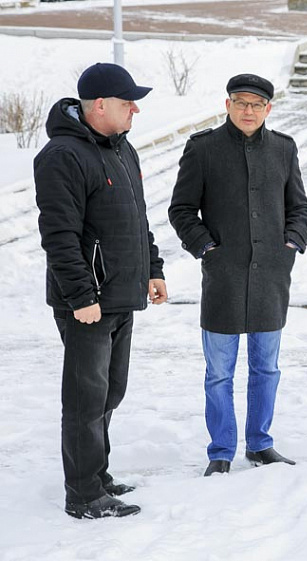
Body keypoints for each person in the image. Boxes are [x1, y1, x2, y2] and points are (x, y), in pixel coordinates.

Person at [34, 62, 167, 519]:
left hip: (121, 294)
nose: (135, 110)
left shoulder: (121, 149)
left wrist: (153, 269)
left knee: (110, 393)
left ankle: (98, 475)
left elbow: (137, 218)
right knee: (85, 400)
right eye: (129, 102)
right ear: (100, 106)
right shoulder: (62, 156)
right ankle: (84, 494)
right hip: (88, 302)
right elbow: (59, 236)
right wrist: (81, 297)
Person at [169, 74, 307, 477]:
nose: (249, 110)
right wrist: (206, 248)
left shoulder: (283, 149)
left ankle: (260, 444)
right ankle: (221, 450)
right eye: (241, 102)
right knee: (219, 373)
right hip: (224, 277)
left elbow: (299, 207)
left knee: (266, 368)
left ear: (268, 108)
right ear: (227, 104)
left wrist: (291, 244)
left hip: (271, 277)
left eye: (257, 104)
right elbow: (181, 210)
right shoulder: (203, 149)